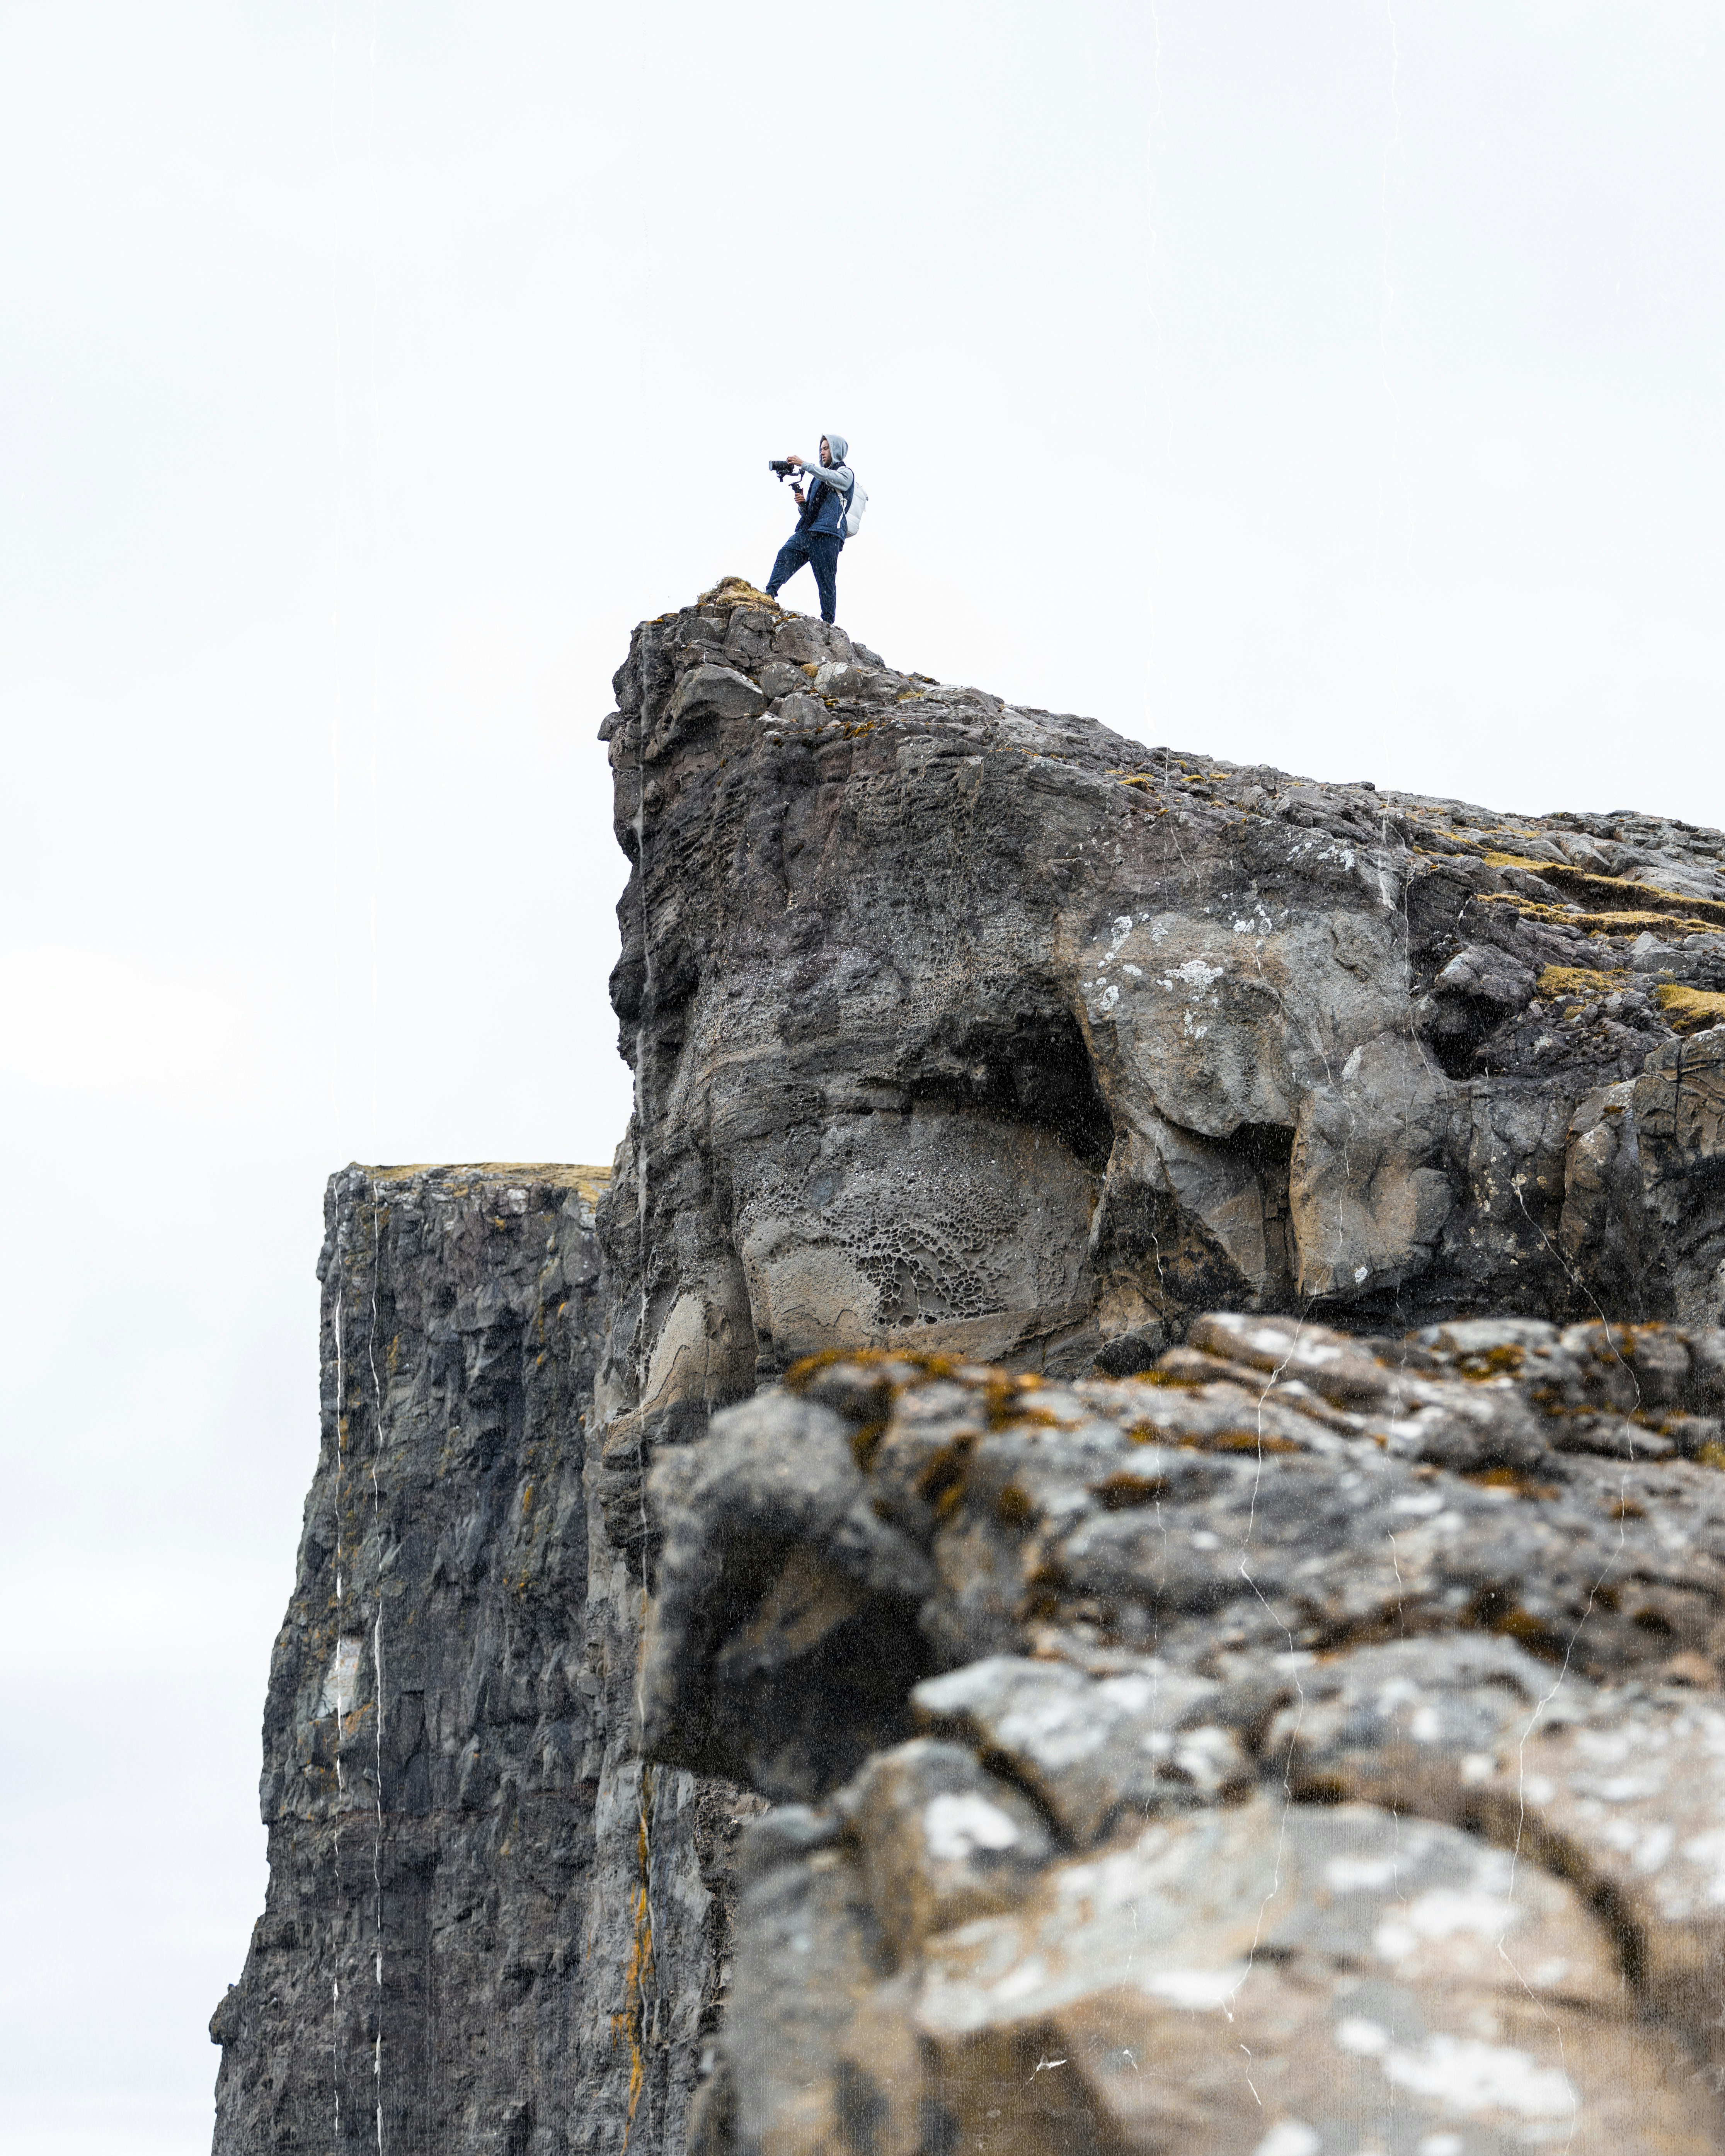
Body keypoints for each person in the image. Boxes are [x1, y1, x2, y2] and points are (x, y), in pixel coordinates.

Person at [765, 432, 853, 625]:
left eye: (826, 448)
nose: (822, 452)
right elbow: (811, 513)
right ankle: (769, 594)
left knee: (826, 582)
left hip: (829, 535)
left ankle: (828, 624)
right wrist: (803, 503)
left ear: (836, 450)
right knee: (786, 553)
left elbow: (831, 477)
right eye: (821, 449)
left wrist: (804, 464)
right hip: (809, 532)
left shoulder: (846, 474)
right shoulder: (818, 479)